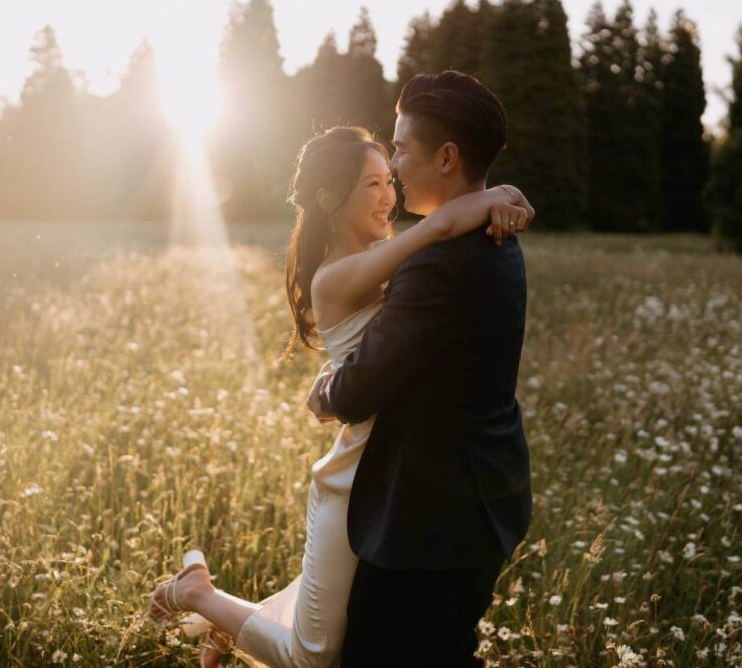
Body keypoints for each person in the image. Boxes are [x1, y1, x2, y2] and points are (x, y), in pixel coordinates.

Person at [147, 117, 534, 667]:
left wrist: (503, 195)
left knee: (338, 626)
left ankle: (226, 623)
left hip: (395, 473)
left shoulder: (389, 255)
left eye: (389, 179)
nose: (390, 195)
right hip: (352, 479)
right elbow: (438, 232)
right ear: (331, 199)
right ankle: (199, 595)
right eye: (372, 184)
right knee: (314, 656)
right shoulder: (335, 277)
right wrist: (499, 194)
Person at [308, 70, 534, 667]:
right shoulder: (497, 236)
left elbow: (360, 389)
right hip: (476, 503)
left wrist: (326, 390)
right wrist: (497, 195)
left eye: (402, 151)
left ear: (447, 157)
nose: (397, 167)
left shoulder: (438, 267)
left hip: (431, 523)